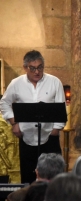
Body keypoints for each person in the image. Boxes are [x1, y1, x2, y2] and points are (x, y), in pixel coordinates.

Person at [0, 50, 66, 184]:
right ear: (25, 68)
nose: (37, 72)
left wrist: (56, 130)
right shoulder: (16, 83)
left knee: (53, 178)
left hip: (50, 138)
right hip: (26, 137)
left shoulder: (54, 82)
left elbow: (61, 108)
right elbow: (4, 103)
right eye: (33, 68)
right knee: (29, 177)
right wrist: (14, 123)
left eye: (40, 67)